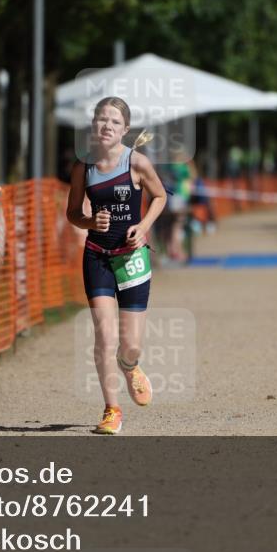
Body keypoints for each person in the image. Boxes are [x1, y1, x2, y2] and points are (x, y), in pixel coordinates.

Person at [66, 97, 167, 435]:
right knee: (104, 337)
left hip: (132, 258)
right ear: (93, 126)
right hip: (97, 256)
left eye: (113, 121)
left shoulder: (136, 163)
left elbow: (160, 196)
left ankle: (130, 365)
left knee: (130, 344)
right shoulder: (84, 167)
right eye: (101, 119)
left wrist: (144, 226)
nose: (106, 125)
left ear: (124, 129)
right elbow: (72, 214)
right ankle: (112, 409)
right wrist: (89, 221)